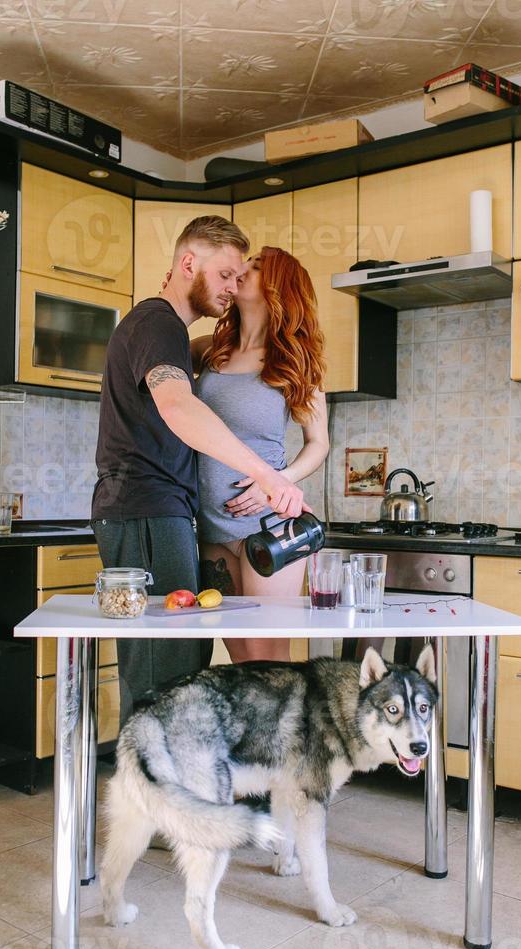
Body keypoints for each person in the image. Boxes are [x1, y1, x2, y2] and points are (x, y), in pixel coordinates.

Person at [91, 217, 306, 724]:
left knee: (180, 665)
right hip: (144, 506)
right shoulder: (159, 323)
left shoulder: (173, 336)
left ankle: (176, 792)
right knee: (162, 672)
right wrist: (273, 478)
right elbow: (180, 408)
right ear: (189, 264)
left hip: (158, 511)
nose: (233, 288)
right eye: (226, 274)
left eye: (240, 278)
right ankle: (152, 795)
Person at [192, 246, 329, 663]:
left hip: (270, 526)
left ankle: (286, 732)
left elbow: (318, 443)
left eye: (253, 267)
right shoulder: (210, 350)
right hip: (211, 527)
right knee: (239, 656)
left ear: (277, 287)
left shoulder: (293, 361)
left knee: (269, 658)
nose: (240, 272)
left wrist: (279, 478)